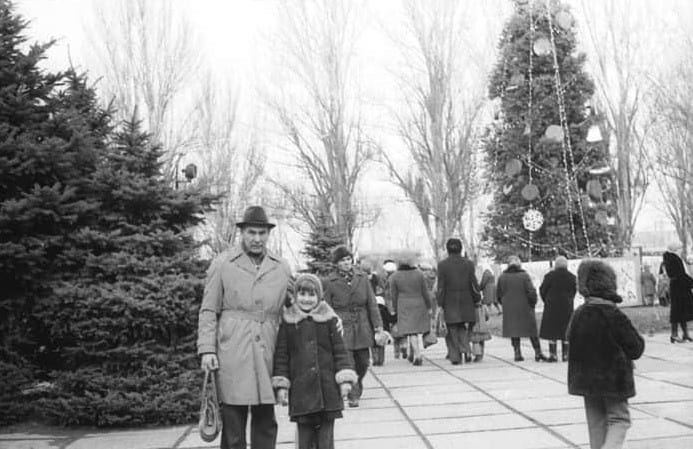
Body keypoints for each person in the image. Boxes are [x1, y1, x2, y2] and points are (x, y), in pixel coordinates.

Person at [197, 206, 292, 449]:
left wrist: (325, 318)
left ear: (268, 234)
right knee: (233, 422)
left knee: (265, 420)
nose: (257, 239)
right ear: (242, 232)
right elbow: (209, 309)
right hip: (233, 348)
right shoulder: (223, 264)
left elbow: (294, 308)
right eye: (252, 232)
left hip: (268, 348)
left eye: (262, 233)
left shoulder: (281, 267)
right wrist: (207, 349)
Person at [272, 273, 357, 449]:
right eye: (302, 294)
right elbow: (282, 356)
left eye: (312, 295)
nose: (307, 299)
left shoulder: (329, 320)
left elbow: (340, 351)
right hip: (301, 393)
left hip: (327, 391)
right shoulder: (288, 323)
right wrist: (282, 385)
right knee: (304, 439)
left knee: (326, 440)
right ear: (295, 296)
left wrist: (345, 380)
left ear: (319, 296)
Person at [567, 260, 645, 449]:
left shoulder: (579, 313)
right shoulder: (613, 314)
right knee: (619, 419)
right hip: (613, 379)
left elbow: (569, 337)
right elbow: (636, 348)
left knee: (596, 424)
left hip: (585, 379)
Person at [323, 245, 383, 407]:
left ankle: (357, 382)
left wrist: (378, 326)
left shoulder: (362, 277)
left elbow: (372, 303)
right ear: (336, 263)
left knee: (363, 362)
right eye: (342, 260)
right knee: (348, 362)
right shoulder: (329, 282)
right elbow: (326, 308)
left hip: (362, 325)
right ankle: (353, 394)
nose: (346, 263)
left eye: (348, 259)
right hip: (343, 326)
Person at [436, 238, 481, 365]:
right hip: (466, 300)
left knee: (452, 328)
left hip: (450, 301)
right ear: (461, 248)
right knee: (462, 326)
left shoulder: (442, 265)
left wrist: (440, 303)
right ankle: (466, 350)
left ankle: (455, 356)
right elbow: (474, 283)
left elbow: (441, 286)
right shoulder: (468, 264)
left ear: (447, 249)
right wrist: (477, 299)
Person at [497, 255, 547, 362]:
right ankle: (538, 352)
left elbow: (499, 294)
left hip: (510, 308)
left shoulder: (502, 277)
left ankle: (517, 353)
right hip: (525, 307)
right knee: (531, 330)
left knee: (514, 330)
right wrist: (533, 303)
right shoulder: (524, 276)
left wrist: (505, 304)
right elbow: (531, 291)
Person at [389, 255, 433, 366]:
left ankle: (416, 354)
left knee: (410, 331)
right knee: (414, 331)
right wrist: (429, 306)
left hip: (404, 305)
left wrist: (394, 308)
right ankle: (412, 354)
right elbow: (425, 291)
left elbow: (393, 295)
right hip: (419, 303)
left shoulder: (395, 276)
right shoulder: (419, 274)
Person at [539, 256, 577, 362]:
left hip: (552, 306)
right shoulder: (572, 277)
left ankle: (553, 354)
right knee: (566, 331)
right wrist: (569, 300)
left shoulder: (549, 276)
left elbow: (542, 290)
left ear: (556, 265)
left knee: (552, 331)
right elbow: (574, 291)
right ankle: (566, 355)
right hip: (567, 306)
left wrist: (546, 300)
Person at [662, 243, 693, 343]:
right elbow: (681, 274)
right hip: (679, 287)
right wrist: (691, 282)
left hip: (678, 286)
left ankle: (685, 333)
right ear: (675, 249)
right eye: (679, 248)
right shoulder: (674, 259)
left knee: (681, 310)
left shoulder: (671, 258)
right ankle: (674, 334)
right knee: (677, 311)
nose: (681, 250)